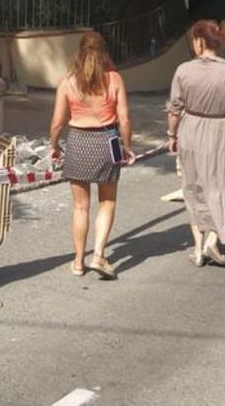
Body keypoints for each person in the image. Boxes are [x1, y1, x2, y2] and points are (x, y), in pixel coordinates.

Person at [49, 31, 133, 280]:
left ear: (80, 52)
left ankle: (77, 261)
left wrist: (53, 145)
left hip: (78, 142)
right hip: (108, 141)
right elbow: (125, 119)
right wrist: (127, 146)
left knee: (80, 207)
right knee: (107, 202)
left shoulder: (68, 82)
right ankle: (98, 255)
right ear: (104, 52)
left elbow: (57, 122)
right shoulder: (114, 79)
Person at [166, 20, 225, 267]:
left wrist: (172, 135)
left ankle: (197, 248)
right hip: (220, 132)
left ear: (199, 42)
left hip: (190, 130)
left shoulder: (183, 70)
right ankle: (212, 239)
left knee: (193, 187)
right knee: (223, 186)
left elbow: (174, 109)